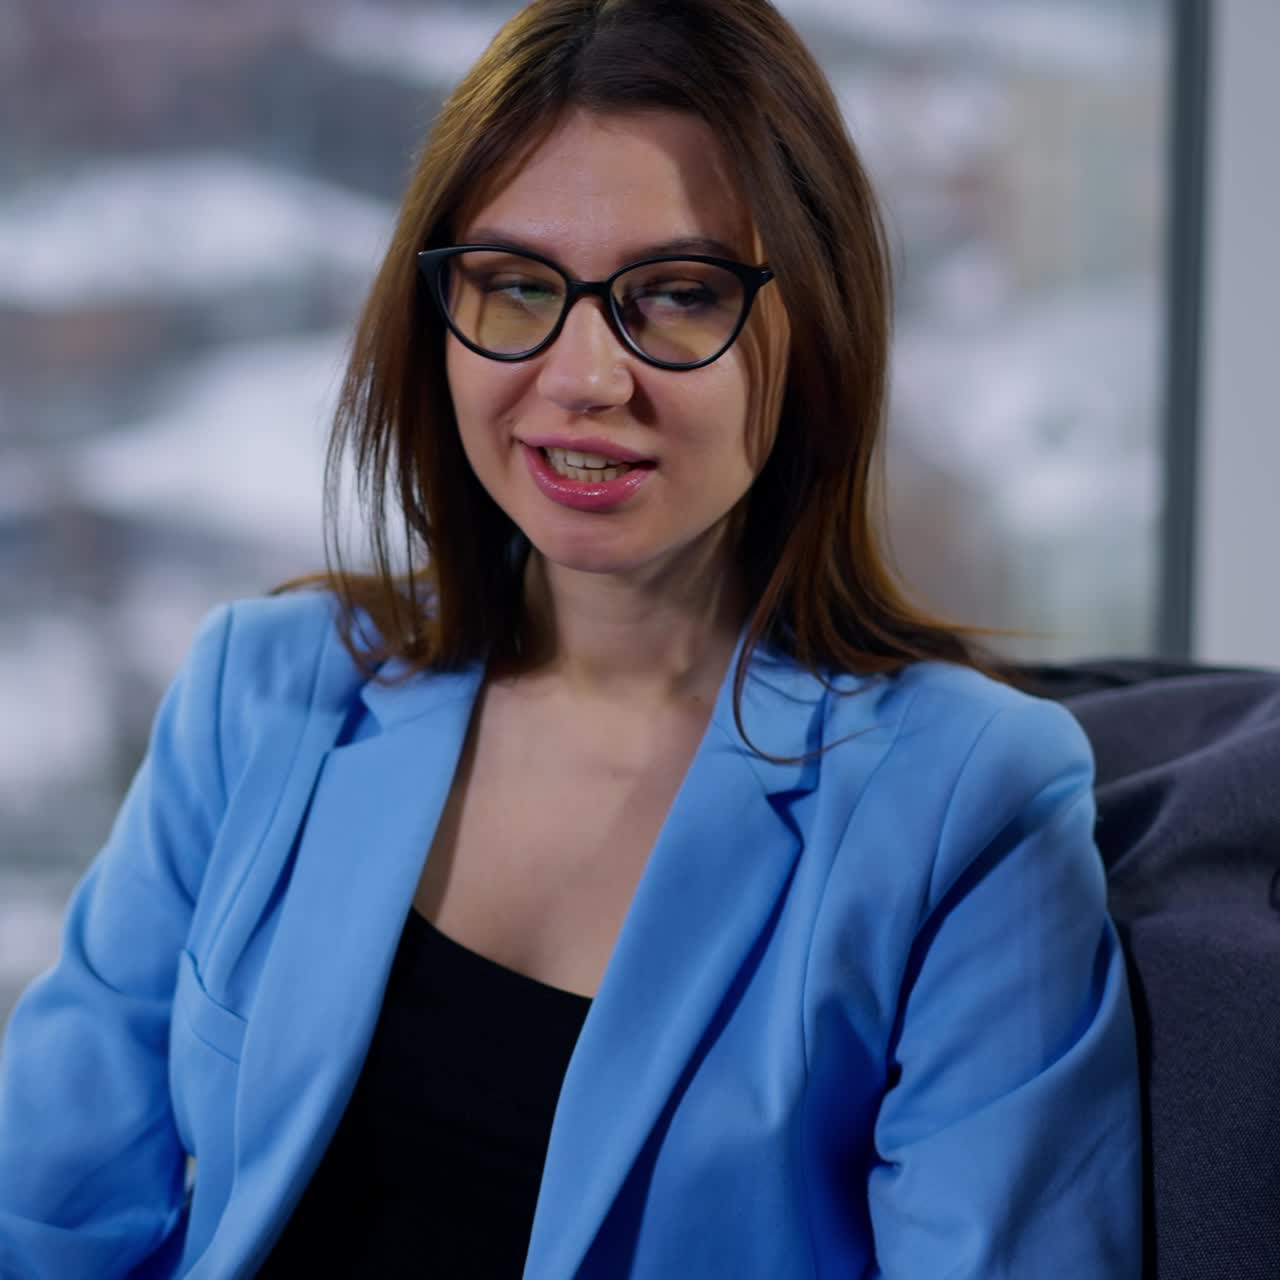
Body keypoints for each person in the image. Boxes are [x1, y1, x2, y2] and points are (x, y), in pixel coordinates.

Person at [0, 0, 1142, 1275]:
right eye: (515, 286)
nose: (585, 377)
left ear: (814, 325)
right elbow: (43, 1212)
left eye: (677, 295)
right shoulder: (261, 690)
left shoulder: (963, 803)